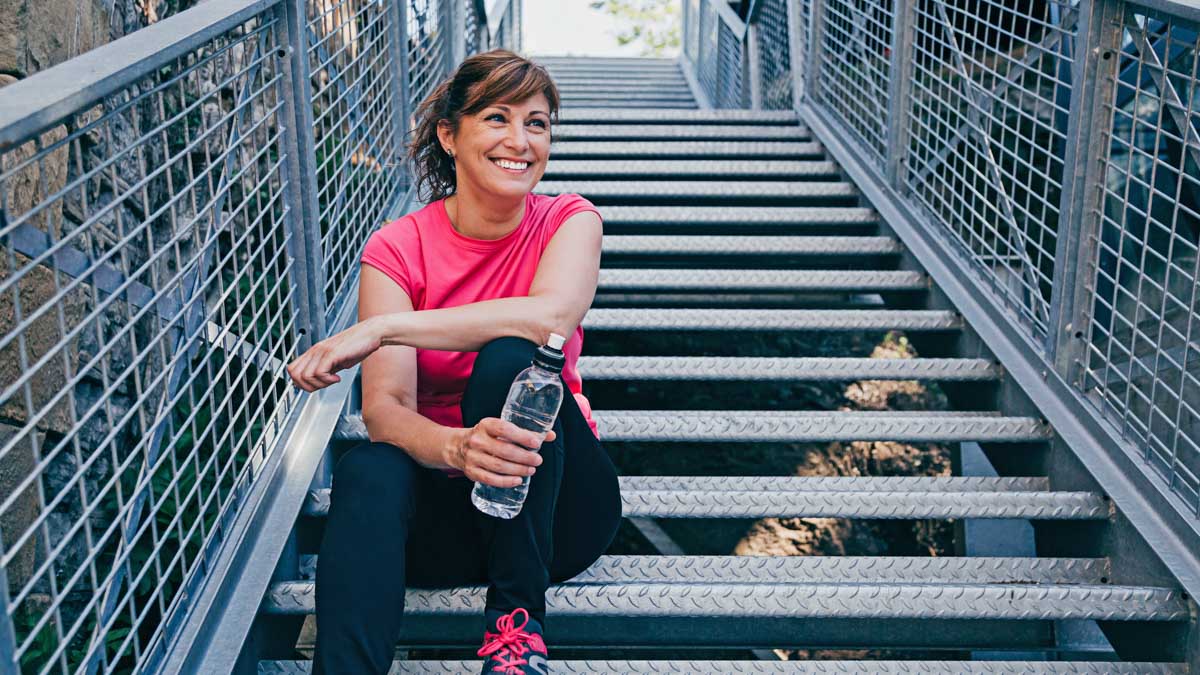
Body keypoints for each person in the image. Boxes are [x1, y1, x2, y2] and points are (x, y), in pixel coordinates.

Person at [285, 50, 623, 674]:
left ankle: (516, 634)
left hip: (558, 513)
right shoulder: (397, 247)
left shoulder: (570, 220)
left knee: (513, 361)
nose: (520, 141)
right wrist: (458, 449)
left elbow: (549, 321)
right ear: (450, 133)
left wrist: (386, 327)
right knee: (368, 466)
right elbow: (387, 411)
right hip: (446, 516)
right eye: (497, 118)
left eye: (538, 123)